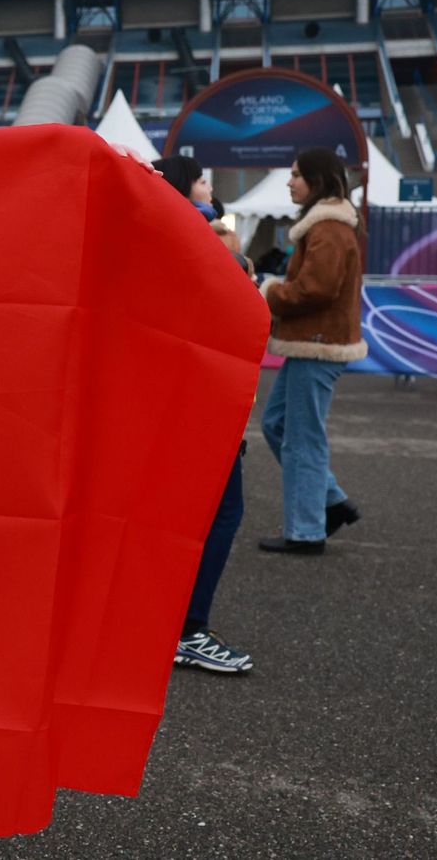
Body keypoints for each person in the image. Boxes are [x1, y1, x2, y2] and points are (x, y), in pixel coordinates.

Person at [154, 156, 254, 674]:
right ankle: (188, 629)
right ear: (183, 189)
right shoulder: (202, 238)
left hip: (172, 393)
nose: (210, 186)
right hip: (203, 394)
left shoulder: (153, 233)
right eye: (201, 179)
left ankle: (166, 623)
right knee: (222, 508)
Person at [257, 148, 367, 554]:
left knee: (302, 438)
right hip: (312, 344)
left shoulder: (329, 229)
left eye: (297, 175)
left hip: (317, 345)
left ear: (318, 180)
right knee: (277, 424)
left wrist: (269, 292)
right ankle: (331, 501)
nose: (290, 181)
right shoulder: (327, 226)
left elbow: (315, 290)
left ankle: (306, 532)